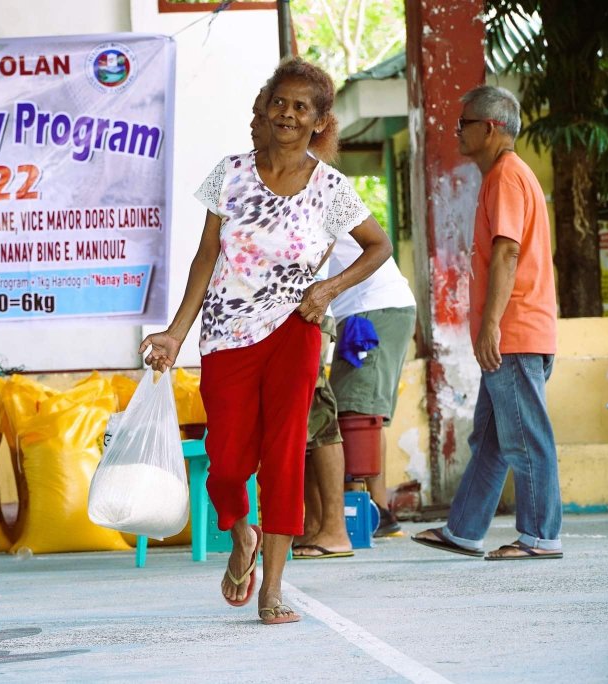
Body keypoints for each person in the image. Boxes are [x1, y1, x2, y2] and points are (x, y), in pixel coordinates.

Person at [139, 58, 391, 624]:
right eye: (281, 101)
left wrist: (328, 289)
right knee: (227, 464)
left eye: (302, 107)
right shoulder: (228, 174)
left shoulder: (330, 188)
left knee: (283, 458)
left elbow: (379, 246)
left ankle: (272, 589)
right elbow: (207, 258)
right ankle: (240, 536)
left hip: (293, 333)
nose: (288, 113)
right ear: (266, 105)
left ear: (318, 120)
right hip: (226, 335)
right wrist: (176, 333)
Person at [412, 85, 561, 561]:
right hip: (515, 333)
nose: (458, 132)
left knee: (524, 437)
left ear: (491, 128)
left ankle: (540, 536)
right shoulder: (504, 175)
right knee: (493, 438)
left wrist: (491, 324)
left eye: (465, 124)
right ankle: (464, 529)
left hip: (514, 332)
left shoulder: (506, 177)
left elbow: (507, 250)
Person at [328, 232, 416, 537]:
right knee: (366, 416)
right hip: (381, 308)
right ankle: (378, 510)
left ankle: (365, 511)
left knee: (354, 413)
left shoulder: (317, 193)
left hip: (369, 311)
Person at [293, 311, 354, 559]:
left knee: (319, 415)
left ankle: (335, 529)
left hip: (307, 312)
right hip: (285, 314)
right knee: (302, 425)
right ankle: (314, 526)